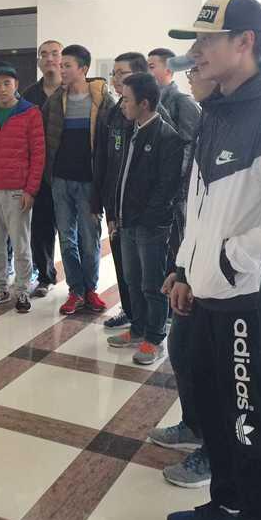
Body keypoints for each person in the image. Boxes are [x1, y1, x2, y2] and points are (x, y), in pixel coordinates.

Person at [165, 0, 261, 520]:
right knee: (217, 415)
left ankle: (254, 518)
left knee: (249, 422)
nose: (196, 52)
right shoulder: (218, 110)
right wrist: (186, 267)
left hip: (244, 301)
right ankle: (225, 506)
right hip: (209, 296)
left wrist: (226, 262)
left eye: (207, 40)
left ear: (245, 42)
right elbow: (201, 205)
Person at [150, 58, 216, 490]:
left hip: (231, 284)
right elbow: (201, 206)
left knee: (219, 372)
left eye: (198, 65)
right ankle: (194, 426)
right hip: (197, 265)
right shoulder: (213, 118)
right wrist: (182, 267)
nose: (191, 75)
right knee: (183, 348)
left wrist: (214, 267)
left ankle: (217, 452)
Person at [102, 72, 183, 366]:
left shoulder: (167, 138)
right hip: (126, 222)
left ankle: (154, 337)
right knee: (131, 280)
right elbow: (118, 175)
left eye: (126, 99)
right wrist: (114, 214)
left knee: (152, 285)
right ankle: (137, 328)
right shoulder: (127, 129)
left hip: (151, 227)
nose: (122, 104)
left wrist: (147, 220)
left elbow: (166, 188)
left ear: (144, 103)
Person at [93, 52, 167, 329]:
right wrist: (104, 205)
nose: (115, 79)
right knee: (127, 271)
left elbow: (164, 177)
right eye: (113, 73)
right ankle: (133, 315)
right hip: (119, 207)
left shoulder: (156, 120)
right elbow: (105, 160)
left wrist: (149, 213)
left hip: (145, 215)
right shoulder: (115, 113)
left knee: (149, 276)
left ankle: (153, 326)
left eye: (121, 73)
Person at [0, 62, 45, 314]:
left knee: (21, 244)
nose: (1, 88)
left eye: (6, 83)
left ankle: (22, 289)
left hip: (16, 189)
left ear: (16, 85)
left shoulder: (30, 113)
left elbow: (38, 155)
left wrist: (30, 190)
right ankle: (0, 287)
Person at [44, 45, 111, 315]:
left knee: (89, 238)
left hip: (89, 182)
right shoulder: (55, 101)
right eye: (61, 65)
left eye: (67, 65)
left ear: (83, 68)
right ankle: (75, 290)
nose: (61, 69)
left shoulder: (102, 101)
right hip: (60, 180)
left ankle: (91, 289)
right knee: (66, 238)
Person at [148, 47, 202, 275]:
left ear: (169, 69)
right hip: (154, 188)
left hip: (175, 191)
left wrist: (175, 185)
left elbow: (188, 147)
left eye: (152, 67)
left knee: (176, 248)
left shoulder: (183, 102)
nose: (148, 72)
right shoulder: (147, 102)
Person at [21, 40, 64, 297]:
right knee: (41, 228)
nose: (49, 59)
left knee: (73, 232)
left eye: (55, 54)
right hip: (39, 174)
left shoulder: (74, 91)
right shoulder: (28, 95)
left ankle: (81, 286)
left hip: (70, 172)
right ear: (38, 61)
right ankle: (46, 276)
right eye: (44, 54)